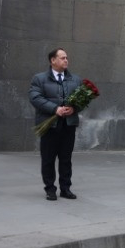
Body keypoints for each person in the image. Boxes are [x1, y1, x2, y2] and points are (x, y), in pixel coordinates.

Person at [28, 48, 81, 201]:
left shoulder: (75, 79)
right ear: (53, 60)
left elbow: (82, 100)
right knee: (48, 159)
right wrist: (55, 109)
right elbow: (35, 98)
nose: (66, 60)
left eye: (67, 57)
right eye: (63, 58)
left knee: (66, 159)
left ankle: (65, 189)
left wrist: (74, 108)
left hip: (68, 125)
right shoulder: (39, 79)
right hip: (49, 126)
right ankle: (50, 189)